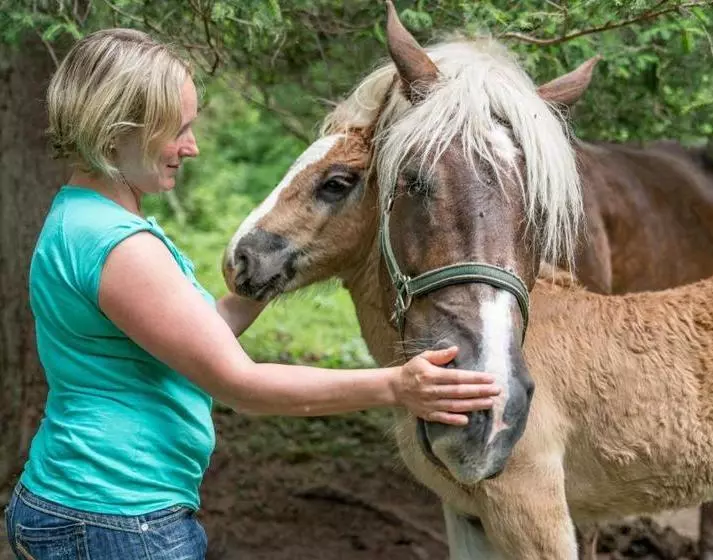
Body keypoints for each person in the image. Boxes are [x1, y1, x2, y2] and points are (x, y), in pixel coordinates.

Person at [3, 28, 500, 560]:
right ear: (118, 129)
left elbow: (198, 337)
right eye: (177, 130)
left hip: (82, 504)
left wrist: (284, 254)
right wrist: (399, 386)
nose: (190, 147)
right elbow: (241, 384)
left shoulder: (78, 218)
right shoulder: (119, 247)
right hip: (115, 521)